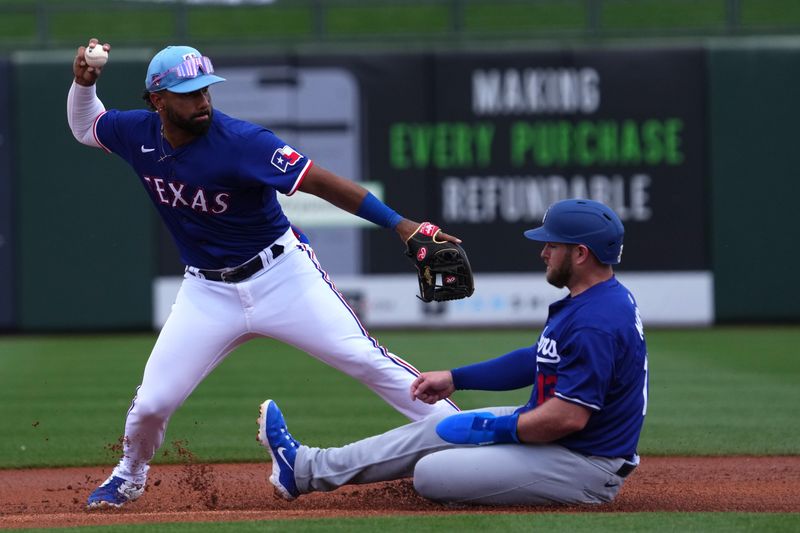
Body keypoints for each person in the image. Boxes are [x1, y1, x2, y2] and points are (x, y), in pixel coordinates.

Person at [67, 39, 460, 509]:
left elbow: (318, 180)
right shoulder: (137, 133)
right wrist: (83, 83)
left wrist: (399, 224)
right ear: (158, 100)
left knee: (367, 361)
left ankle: (464, 439)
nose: (203, 100)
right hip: (206, 291)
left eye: (206, 89)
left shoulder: (243, 142)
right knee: (152, 403)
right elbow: (86, 126)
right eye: (189, 93)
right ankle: (129, 474)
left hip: (281, 276)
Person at [258, 198, 649, 506]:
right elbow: (538, 359)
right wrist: (456, 379)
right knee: (432, 429)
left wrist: (496, 431)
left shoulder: (597, 321)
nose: (543, 252)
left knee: (433, 473)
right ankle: (304, 468)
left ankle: (498, 471)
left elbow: (567, 417)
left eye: (552, 244)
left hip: (582, 463)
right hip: (556, 440)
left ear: (580, 253)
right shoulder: (594, 301)